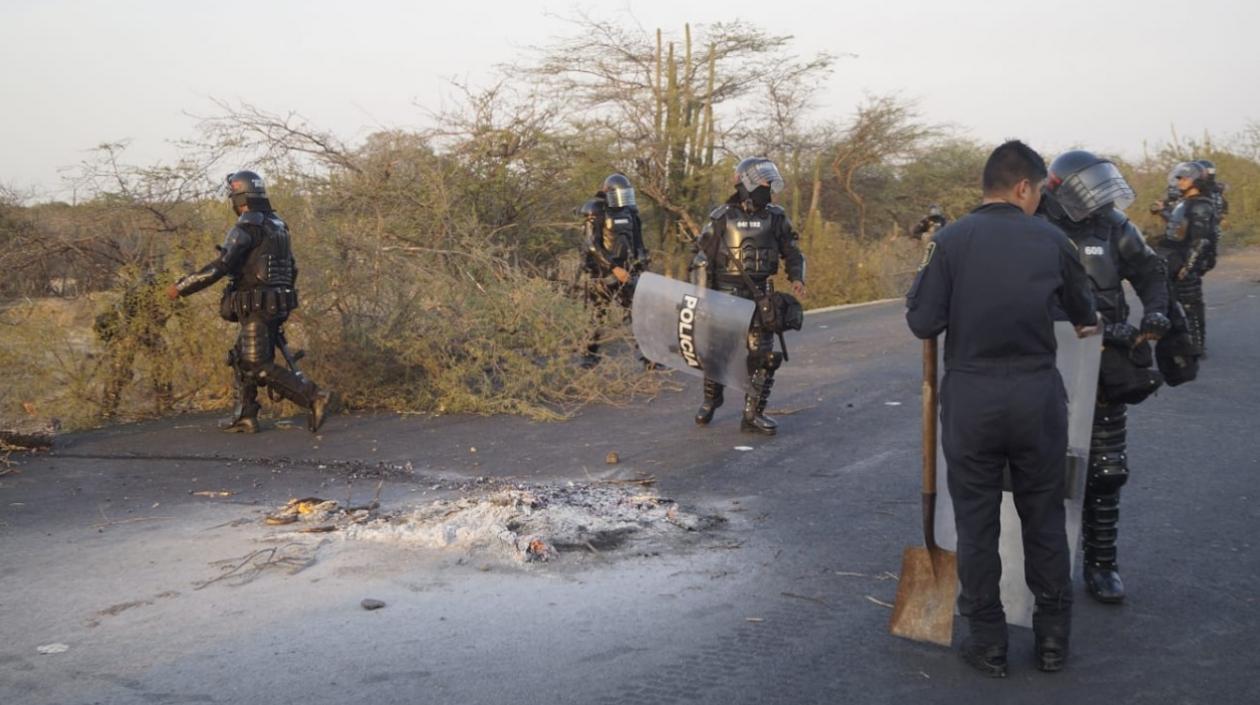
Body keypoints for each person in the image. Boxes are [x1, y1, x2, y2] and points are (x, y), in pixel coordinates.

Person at [906, 140, 1099, 676]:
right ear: (1023, 188)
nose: (1037, 201)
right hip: (1037, 398)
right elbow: (1085, 315)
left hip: (972, 400)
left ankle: (988, 643)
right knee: (1043, 516)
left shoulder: (949, 241)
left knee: (976, 523)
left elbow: (922, 322)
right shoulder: (1054, 240)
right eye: (1038, 192)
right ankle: (1054, 640)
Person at [1041, 150, 1172, 604]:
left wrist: (1155, 310)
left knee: (1106, 468)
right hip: (1046, 362)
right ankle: (1041, 569)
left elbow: (1152, 270)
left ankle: (1102, 563)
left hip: (1107, 361)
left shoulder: (1115, 225)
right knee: (1040, 470)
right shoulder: (1032, 225)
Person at [167, 170, 332, 433]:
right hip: (275, 303)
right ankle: (246, 414)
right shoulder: (278, 224)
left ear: (239, 196)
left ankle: (312, 396)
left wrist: (181, 287)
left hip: (257, 304)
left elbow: (220, 266)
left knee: (257, 364)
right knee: (241, 358)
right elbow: (292, 267)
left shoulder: (247, 226)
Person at [691, 157, 806, 435]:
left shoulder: (776, 217)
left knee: (762, 356)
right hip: (725, 295)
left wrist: (797, 277)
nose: (769, 188)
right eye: (765, 182)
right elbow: (700, 259)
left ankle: (752, 414)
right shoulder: (721, 217)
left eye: (769, 182)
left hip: (760, 297)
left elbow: (792, 251)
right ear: (748, 182)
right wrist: (701, 300)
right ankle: (711, 399)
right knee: (718, 354)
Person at [578, 173, 650, 367]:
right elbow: (592, 245)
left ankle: (649, 357)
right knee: (597, 314)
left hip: (628, 271)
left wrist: (642, 262)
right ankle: (588, 355)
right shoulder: (595, 209)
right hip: (602, 273)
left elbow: (638, 242)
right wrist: (612, 267)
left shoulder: (630, 212)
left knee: (639, 312)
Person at [1151, 161, 1218, 355]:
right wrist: (1162, 210)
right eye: (1179, 177)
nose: (1180, 181)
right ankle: (1178, 341)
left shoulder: (1202, 206)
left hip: (1186, 259)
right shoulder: (1184, 203)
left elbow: (1201, 241)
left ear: (1196, 180)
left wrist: (1188, 266)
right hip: (1173, 257)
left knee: (1191, 303)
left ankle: (1197, 345)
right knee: (1170, 300)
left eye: (1184, 178)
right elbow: (1176, 225)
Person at [95, 270, 174, 418]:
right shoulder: (144, 289)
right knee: (120, 369)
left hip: (147, 327)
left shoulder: (167, 290)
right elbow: (128, 314)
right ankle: (107, 411)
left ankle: (166, 405)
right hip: (129, 327)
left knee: (163, 363)